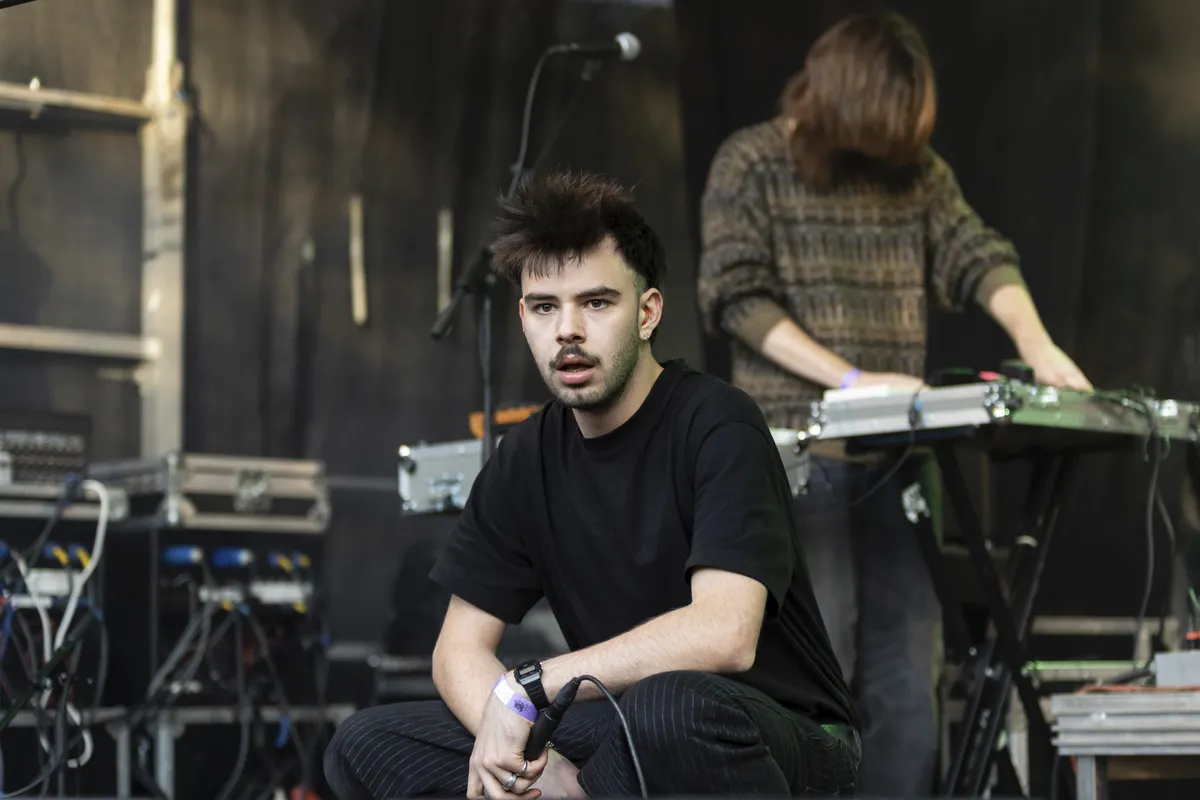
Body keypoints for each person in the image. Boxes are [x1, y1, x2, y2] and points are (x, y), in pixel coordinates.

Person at [324, 172, 861, 798]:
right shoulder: (526, 457)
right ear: (524, 317)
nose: (567, 330)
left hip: (780, 732)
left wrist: (528, 687)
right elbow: (458, 650)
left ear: (647, 312)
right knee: (365, 744)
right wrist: (535, 757)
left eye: (597, 303)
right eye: (545, 307)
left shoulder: (718, 422)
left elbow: (726, 635)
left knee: (670, 708)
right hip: (624, 725)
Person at [695, 11, 1092, 797]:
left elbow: (978, 253)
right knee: (820, 668)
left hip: (901, 462)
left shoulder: (917, 173)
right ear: (845, 101)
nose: (892, 145)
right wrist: (849, 381)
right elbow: (736, 297)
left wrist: (1039, 345)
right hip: (796, 463)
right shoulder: (750, 163)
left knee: (911, 679)